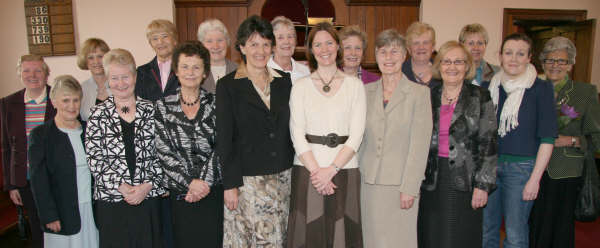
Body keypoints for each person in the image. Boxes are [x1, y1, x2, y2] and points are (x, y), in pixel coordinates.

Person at [216, 15, 294, 247]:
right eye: (253, 44)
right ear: (241, 47)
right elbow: (225, 138)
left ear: (272, 47)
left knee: (278, 238)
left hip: (283, 177)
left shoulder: (285, 82)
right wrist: (230, 185)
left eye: (265, 44)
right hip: (247, 182)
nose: (260, 50)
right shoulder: (228, 85)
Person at [287, 21, 366, 248]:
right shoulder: (300, 86)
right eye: (318, 45)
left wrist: (331, 170)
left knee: (343, 232)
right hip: (308, 170)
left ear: (338, 46)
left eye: (329, 43)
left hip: (345, 169)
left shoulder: (355, 86)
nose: (325, 49)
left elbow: (357, 134)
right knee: (309, 234)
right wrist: (317, 173)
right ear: (311, 50)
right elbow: (296, 132)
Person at [418, 41, 498, 248]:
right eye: (446, 61)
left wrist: (482, 185)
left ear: (467, 66)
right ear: (439, 66)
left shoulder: (480, 96)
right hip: (432, 179)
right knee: (432, 235)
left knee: (461, 236)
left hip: (467, 179)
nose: (452, 67)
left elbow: (489, 142)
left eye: (458, 62)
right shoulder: (428, 95)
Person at [481, 33, 558, 248]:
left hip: (522, 170)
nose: (513, 58)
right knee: (487, 231)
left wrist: (535, 179)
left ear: (529, 57)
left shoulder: (541, 89)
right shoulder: (491, 86)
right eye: (508, 53)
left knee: (515, 234)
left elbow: (548, 138)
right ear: (500, 56)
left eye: (520, 53)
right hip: (490, 167)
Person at [86, 48, 166, 248]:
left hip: (148, 197)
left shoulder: (154, 110)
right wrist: (122, 186)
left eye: (125, 76)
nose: (120, 83)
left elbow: (164, 153)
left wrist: (146, 185)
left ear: (135, 76)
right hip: (112, 200)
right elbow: (94, 158)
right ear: (107, 79)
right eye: (114, 78)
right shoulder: (97, 114)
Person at [359, 29, 432, 247]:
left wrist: (410, 188)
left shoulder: (419, 94)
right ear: (375, 55)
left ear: (404, 56)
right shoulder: (365, 91)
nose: (388, 58)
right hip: (368, 182)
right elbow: (359, 140)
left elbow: (419, 147)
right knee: (370, 241)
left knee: (399, 241)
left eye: (394, 51)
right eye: (383, 52)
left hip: (400, 186)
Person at [529, 36, 600, 248]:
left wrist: (572, 140)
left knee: (560, 227)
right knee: (533, 223)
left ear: (570, 64)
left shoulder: (585, 92)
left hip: (566, 170)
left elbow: (596, 136)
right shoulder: (532, 88)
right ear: (542, 63)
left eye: (561, 61)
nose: (555, 65)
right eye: (550, 60)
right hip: (532, 168)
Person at [155, 41, 224, 248]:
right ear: (176, 70)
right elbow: (163, 151)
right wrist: (189, 183)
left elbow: (222, 147)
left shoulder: (218, 103)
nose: (190, 72)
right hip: (181, 195)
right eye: (184, 66)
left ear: (205, 72)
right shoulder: (163, 106)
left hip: (212, 192)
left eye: (196, 67)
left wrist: (203, 183)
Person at [29, 75, 99, 248]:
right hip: (61, 212)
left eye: (76, 100)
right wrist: (49, 216)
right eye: (65, 100)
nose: (72, 106)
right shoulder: (40, 135)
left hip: (92, 210)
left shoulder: (90, 129)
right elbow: (39, 181)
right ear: (53, 101)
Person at [1, 54, 56, 248]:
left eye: (38, 70)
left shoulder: (58, 98)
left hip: (54, 178)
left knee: (58, 227)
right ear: (20, 74)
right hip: (26, 180)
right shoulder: (8, 103)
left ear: (46, 74)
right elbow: (6, 148)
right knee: (37, 226)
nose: (32, 75)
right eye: (26, 70)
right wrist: (11, 185)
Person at [135, 19, 180, 102]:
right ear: (150, 43)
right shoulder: (142, 72)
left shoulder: (185, 68)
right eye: (155, 38)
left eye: (165, 36)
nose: (160, 42)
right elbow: (139, 103)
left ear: (174, 40)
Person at [197, 18, 238, 93]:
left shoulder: (240, 70)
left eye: (220, 40)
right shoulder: (196, 71)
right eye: (209, 41)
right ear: (202, 45)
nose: (215, 46)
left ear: (227, 42)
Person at [267, 16, 310, 83]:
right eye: (280, 37)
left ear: (295, 41)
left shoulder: (306, 72)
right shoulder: (263, 72)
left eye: (290, 36)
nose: (286, 41)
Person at [77, 38, 111, 120]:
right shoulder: (81, 89)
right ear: (85, 61)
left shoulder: (120, 85)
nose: (96, 61)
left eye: (100, 56)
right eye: (91, 58)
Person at [402, 21, 441, 88]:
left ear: (433, 47)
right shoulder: (400, 72)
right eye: (416, 43)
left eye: (425, 42)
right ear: (408, 48)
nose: (421, 47)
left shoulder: (442, 70)